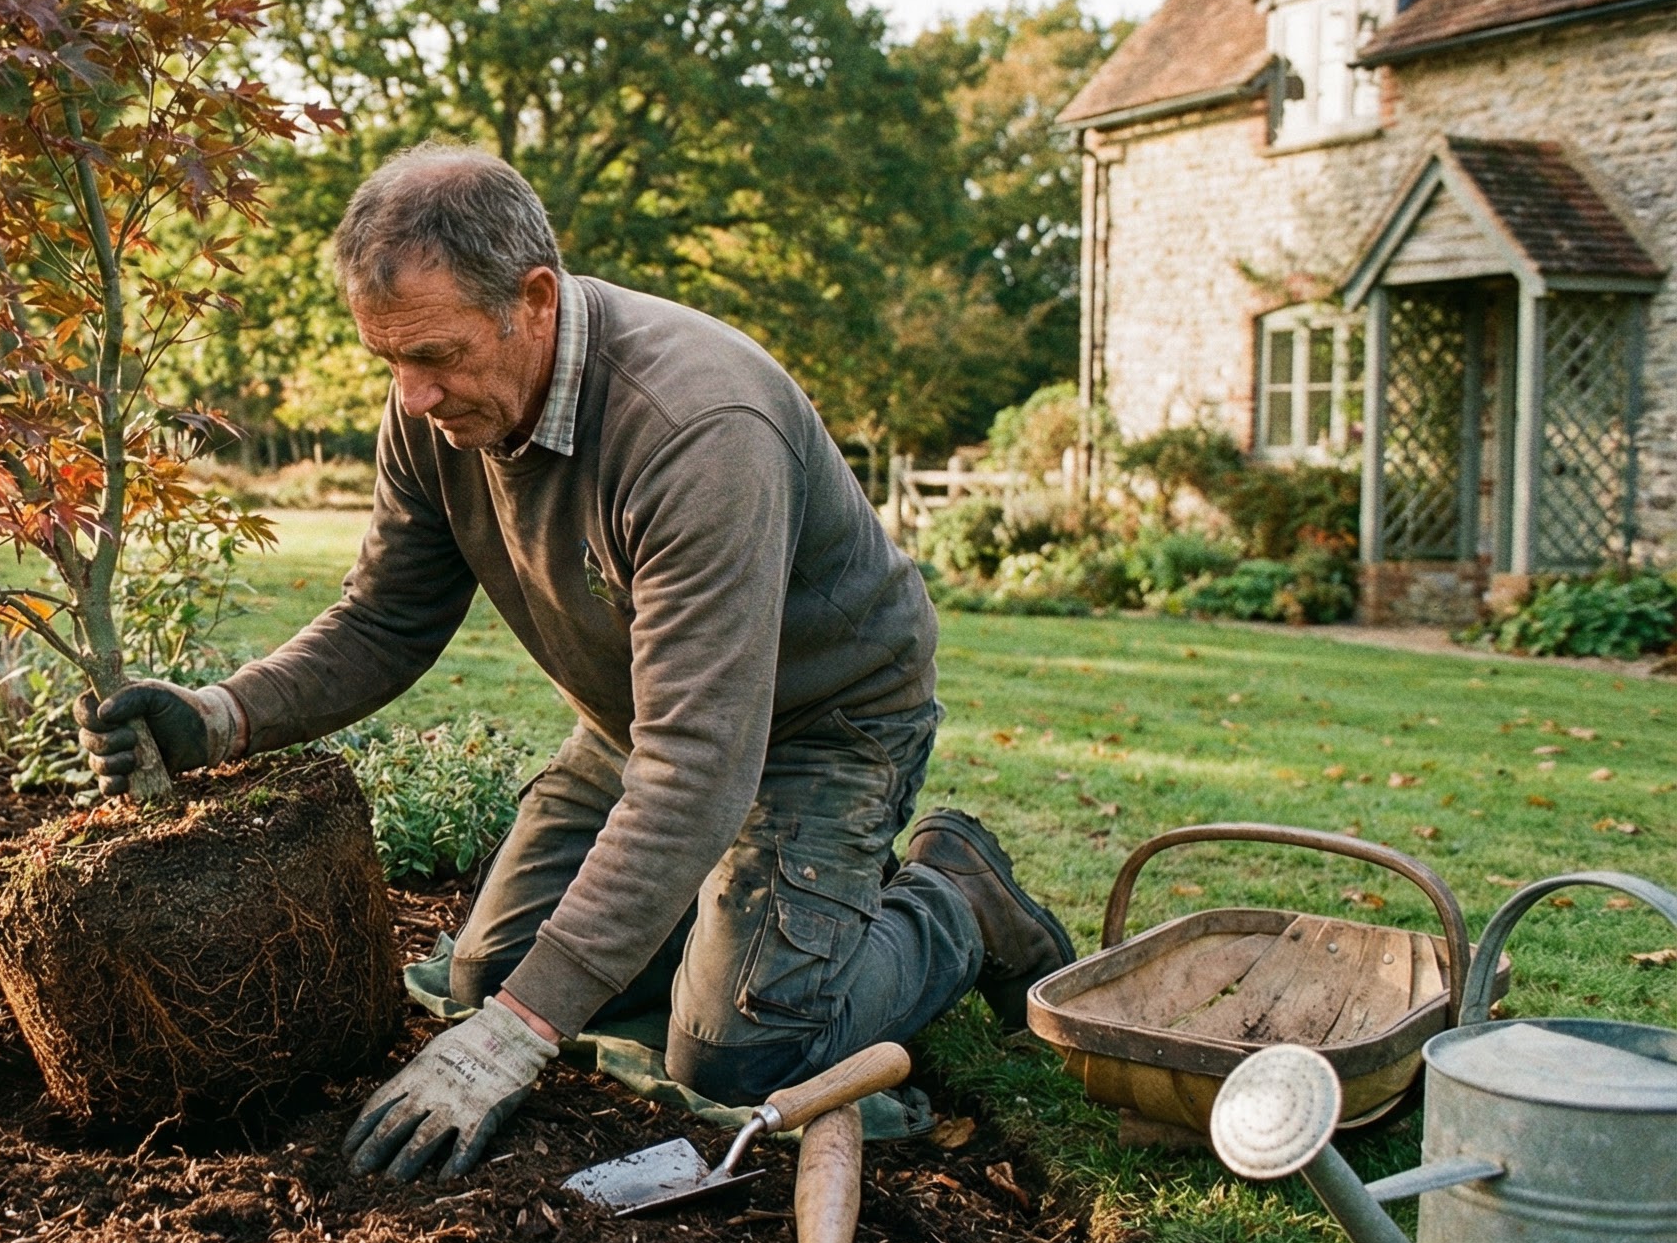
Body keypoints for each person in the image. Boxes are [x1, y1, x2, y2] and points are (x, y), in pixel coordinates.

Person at [76, 143, 1073, 1181]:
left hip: (817, 726)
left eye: (436, 355)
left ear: (535, 299)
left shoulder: (695, 430)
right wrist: (221, 716)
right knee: (488, 976)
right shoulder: (436, 408)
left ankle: (950, 901)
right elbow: (385, 616)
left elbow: (698, 770)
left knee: (742, 1055)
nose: (413, 396)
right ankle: (734, 925)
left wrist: (518, 1038)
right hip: (633, 725)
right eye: (391, 362)